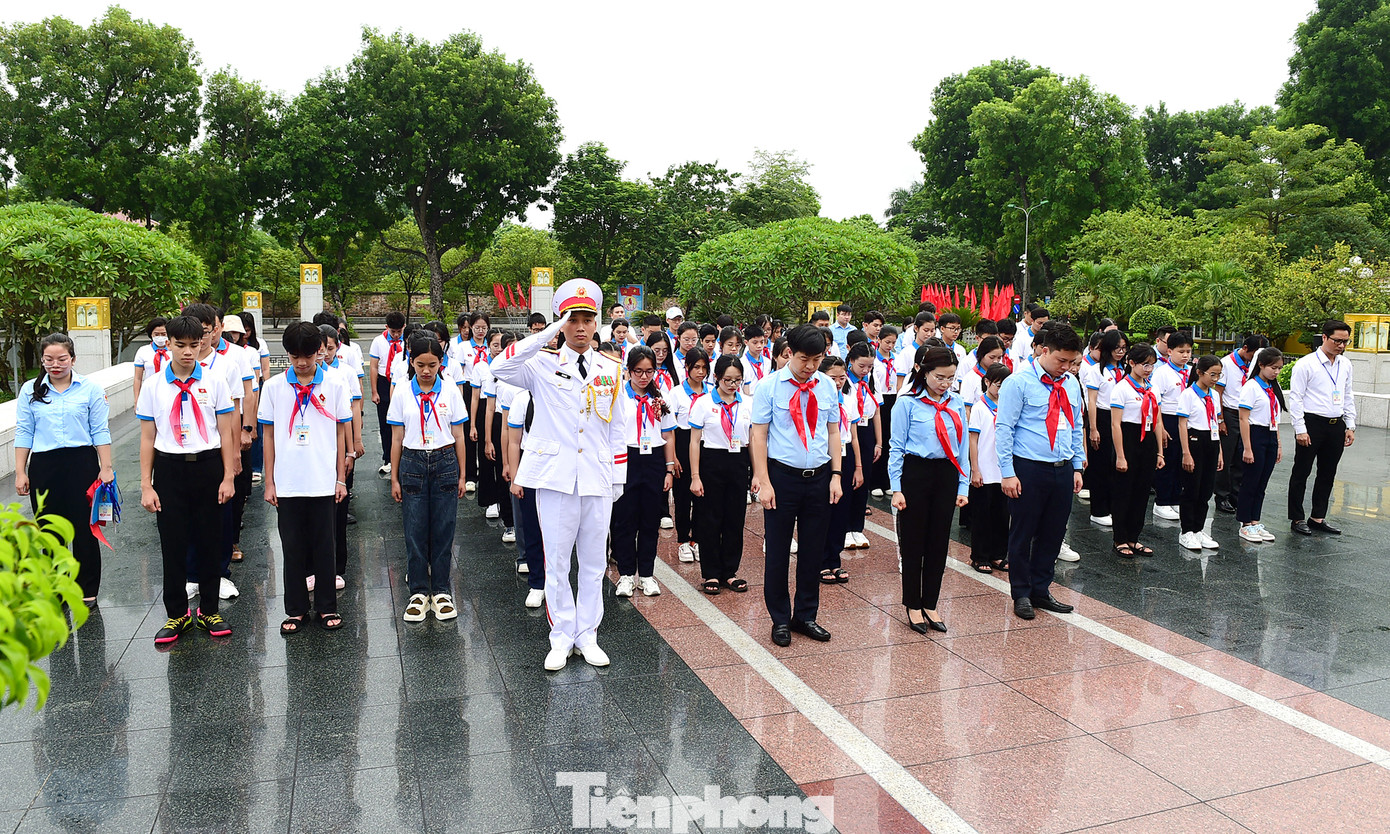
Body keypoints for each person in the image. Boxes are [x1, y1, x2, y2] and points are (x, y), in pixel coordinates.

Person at [491, 279, 630, 671]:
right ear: (562, 321)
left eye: (588, 319)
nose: (582, 328)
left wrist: (618, 477)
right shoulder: (541, 364)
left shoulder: (611, 368)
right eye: (573, 319)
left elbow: (618, 427)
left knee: (593, 563)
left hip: (596, 477)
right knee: (556, 562)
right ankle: (561, 636)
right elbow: (500, 366)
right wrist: (548, 334)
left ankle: (588, 635)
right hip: (554, 476)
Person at [136, 315, 238, 644]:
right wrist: (146, 484)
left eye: (194, 345)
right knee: (173, 544)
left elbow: (225, 432)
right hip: (169, 470)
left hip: (208, 466)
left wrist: (228, 477)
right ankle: (177, 613)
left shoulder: (216, 381)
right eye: (180, 345)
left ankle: (209, 610)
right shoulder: (154, 386)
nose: (188, 352)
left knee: (210, 541)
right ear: (168, 344)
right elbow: (147, 437)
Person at [750, 324, 843, 647]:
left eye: (817, 359)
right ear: (790, 352)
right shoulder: (770, 387)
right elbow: (758, 435)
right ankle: (779, 618)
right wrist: (763, 480)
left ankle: (806, 615)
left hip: (818, 477)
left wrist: (836, 475)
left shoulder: (827, 386)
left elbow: (833, 432)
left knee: (813, 551)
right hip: (782, 477)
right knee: (777, 551)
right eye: (805, 359)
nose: (810, 366)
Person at [260, 322, 352, 635]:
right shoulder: (273, 388)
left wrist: (340, 477)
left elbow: (340, 432)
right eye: (295, 355)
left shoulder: (335, 384)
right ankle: (296, 609)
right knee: (292, 547)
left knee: (325, 546)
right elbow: (268, 436)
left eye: (308, 355)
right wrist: (270, 482)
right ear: (287, 353)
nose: (302, 362)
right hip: (287, 481)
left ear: (320, 351)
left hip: (323, 479)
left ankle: (327, 606)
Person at [14, 333, 114, 602]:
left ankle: (87, 590)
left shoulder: (90, 389)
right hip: (45, 466)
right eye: (48, 359)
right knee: (49, 530)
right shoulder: (30, 390)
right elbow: (24, 431)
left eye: (61, 359)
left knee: (84, 529)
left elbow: (100, 430)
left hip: (81, 463)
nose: (54, 364)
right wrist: (21, 471)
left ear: (73, 359)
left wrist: (106, 467)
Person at [994, 322, 1084, 620]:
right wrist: (1007, 472)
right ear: (1044, 350)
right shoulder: (1018, 383)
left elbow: (1075, 425)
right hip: (1028, 467)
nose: (1066, 367)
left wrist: (1077, 464)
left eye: (1071, 361)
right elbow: (1004, 428)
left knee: (1054, 532)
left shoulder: (1070, 383)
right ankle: (1021, 592)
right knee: (1023, 532)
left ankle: (1041, 589)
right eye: (1061, 360)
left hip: (1062, 468)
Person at [388, 336, 468, 623]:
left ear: (441, 363)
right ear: (411, 361)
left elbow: (458, 435)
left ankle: (442, 590)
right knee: (415, 528)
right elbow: (397, 438)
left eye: (432, 365)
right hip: (412, 461)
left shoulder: (449, 391)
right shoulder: (401, 392)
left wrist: (462, 473)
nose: (426, 370)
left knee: (444, 527)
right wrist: (395, 477)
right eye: (420, 364)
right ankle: (419, 591)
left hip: (445, 460)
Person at [890, 346, 969, 633]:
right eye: (940, 377)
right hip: (916, 474)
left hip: (946, 474)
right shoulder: (907, 403)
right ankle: (912, 603)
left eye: (951, 378)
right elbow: (896, 448)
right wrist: (896, 488)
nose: (946, 383)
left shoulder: (957, 403)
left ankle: (931, 603)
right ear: (923, 373)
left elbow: (962, 450)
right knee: (913, 543)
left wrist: (963, 485)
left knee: (938, 543)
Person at [610, 346, 677, 598]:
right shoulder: (619, 397)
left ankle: (647, 574)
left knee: (650, 520)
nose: (643, 376)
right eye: (638, 371)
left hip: (654, 460)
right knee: (625, 519)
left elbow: (668, 434)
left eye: (649, 371)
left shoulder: (660, 397)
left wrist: (669, 469)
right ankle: (626, 574)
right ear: (628, 370)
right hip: (626, 458)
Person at [689, 354, 752, 596]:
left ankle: (730, 571)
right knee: (710, 519)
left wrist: (756, 474)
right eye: (727, 380)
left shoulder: (747, 403)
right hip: (711, 461)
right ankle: (711, 573)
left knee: (735, 519)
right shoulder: (704, 403)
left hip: (738, 462)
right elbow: (694, 441)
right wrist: (695, 476)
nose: (733, 385)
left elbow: (754, 439)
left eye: (737, 380)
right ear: (716, 378)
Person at [1287, 320, 1357, 536]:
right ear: (1325, 337)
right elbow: (1296, 398)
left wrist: (1350, 424)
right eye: (1337, 341)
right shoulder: (1306, 364)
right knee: (1302, 471)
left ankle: (1318, 516)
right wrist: (1300, 428)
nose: (1341, 346)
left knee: (1328, 472)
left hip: (1336, 424)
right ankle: (1297, 518)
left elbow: (1348, 394)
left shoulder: (1345, 364)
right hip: (1312, 423)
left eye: (1346, 342)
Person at [319, 325, 365, 586]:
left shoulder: (344, 373)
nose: (324, 354)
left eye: (330, 348)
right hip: (315, 448)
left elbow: (353, 408)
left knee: (339, 507)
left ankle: (337, 565)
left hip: (341, 443)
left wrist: (353, 444)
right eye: (320, 348)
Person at [1109, 344, 1165, 558]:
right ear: (1131, 363)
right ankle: (1120, 538)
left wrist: (1160, 452)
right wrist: (1120, 455)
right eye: (1144, 364)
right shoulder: (1121, 388)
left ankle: (1134, 536)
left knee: (1142, 492)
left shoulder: (1152, 388)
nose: (1149, 369)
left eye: (1152, 365)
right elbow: (1116, 425)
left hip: (1148, 439)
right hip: (1128, 439)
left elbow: (1157, 420)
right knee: (1124, 491)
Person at [818, 356, 862, 583]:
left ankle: (834, 559)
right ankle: (820, 561)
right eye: (832, 377)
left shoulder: (849, 399)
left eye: (841, 378)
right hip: (823, 457)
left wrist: (858, 466)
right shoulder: (817, 400)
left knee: (841, 510)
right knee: (823, 510)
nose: (837, 382)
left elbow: (853, 436)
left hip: (845, 455)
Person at [1214, 335, 1268, 514]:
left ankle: (1236, 495)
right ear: (1245, 348)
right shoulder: (1227, 364)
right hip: (1230, 415)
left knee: (1241, 458)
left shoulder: (1254, 367)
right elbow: (1218, 393)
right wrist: (1220, 419)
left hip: (1248, 416)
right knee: (1227, 457)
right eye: (1254, 354)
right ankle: (1221, 496)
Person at [1237, 348, 1286, 543]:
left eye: (1280, 368)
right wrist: (1247, 448)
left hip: (1270, 435)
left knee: (1262, 483)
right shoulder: (1251, 387)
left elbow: (1276, 418)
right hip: (1255, 435)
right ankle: (1245, 523)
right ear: (1261, 365)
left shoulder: (1273, 388)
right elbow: (1243, 418)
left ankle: (1255, 520)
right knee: (1251, 481)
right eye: (1273, 368)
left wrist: (1279, 444)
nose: (1276, 372)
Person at [1176, 356, 1225, 551]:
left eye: (1219, 375)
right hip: (1194, 440)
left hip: (1211, 441)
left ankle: (1198, 529)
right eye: (1212, 374)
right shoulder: (1188, 395)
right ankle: (1186, 530)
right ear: (1200, 372)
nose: (1215, 379)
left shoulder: (1214, 396)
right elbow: (1182, 424)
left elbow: (1215, 422)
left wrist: (1219, 451)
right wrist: (1186, 452)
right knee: (1191, 488)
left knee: (1206, 489)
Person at [669, 347, 712, 563]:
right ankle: (683, 540)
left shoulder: (712, 391)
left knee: (703, 496)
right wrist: (673, 457)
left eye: (704, 367)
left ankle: (698, 538)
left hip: (705, 445)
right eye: (696, 367)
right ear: (687, 367)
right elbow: (670, 428)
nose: (701, 372)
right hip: (683, 444)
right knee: (683, 497)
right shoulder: (676, 393)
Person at [505, 388, 546, 608]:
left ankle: (560, 584)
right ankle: (537, 583)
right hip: (530, 465)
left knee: (560, 531)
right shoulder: (522, 399)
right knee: (532, 526)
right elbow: (513, 441)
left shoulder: (561, 393)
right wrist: (516, 478)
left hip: (558, 468)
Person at [968, 363, 1011, 572]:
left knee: (1002, 516)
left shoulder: (1008, 406)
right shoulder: (979, 408)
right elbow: (973, 440)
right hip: (984, 470)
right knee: (982, 516)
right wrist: (975, 469)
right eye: (998, 384)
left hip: (1003, 471)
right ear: (987, 382)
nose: (1001, 389)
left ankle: (998, 554)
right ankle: (979, 556)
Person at [1083, 330, 1127, 528]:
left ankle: (1113, 506)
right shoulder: (1096, 371)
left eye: (1124, 348)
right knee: (1101, 465)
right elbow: (1091, 401)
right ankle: (1098, 509)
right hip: (1102, 416)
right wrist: (1093, 428)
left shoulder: (1125, 370)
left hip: (1122, 418)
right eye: (1117, 348)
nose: (1120, 352)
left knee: (1117, 464)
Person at [1150, 331, 1193, 521]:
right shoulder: (1161, 373)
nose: (1185, 355)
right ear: (1169, 351)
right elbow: (1155, 401)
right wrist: (1161, 427)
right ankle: (1162, 502)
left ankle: (1175, 499)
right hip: (1167, 418)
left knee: (1180, 462)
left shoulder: (1191, 372)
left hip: (1186, 420)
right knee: (1168, 460)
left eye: (1188, 351)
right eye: (1180, 351)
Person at [844, 342, 880, 549]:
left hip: (866, 434)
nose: (866, 371)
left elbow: (876, 410)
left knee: (863, 481)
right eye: (861, 366)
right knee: (849, 480)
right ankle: (845, 528)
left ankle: (857, 527)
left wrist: (879, 443)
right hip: (849, 432)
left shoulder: (870, 381)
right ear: (851, 362)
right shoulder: (843, 381)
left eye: (869, 367)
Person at [369, 311, 407, 474]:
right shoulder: (378, 341)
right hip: (384, 382)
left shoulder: (407, 341)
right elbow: (373, 366)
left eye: (399, 331)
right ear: (386, 327)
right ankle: (388, 458)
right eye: (393, 332)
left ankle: (404, 457)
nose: (397, 334)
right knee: (386, 424)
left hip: (401, 383)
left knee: (403, 421)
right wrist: (374, 391)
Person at [871, 326, 905, 498]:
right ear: (879, 340)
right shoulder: (874, 361)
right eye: (887, 342)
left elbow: (900, 382)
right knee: (880, 440)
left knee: (892, 440)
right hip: (880, 401)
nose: (890, 346)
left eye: (893, 342)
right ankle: (875, 481)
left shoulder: (897, 359)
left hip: (894, 399)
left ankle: (888, 480)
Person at [132, 317, 169, 405]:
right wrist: (137, 400)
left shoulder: (174, 351)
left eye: (163, 334)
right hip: (149, 393)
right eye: (156, 334)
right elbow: (138, 378)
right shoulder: (143, 351)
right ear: (151, 334)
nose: (160, 337)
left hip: (169, 392)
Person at [741, 325, 771, 390]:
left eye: (762, 342)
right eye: (755, 343)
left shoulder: (768, 362)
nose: (759, 346)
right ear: (746, 342)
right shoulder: (742, 363)